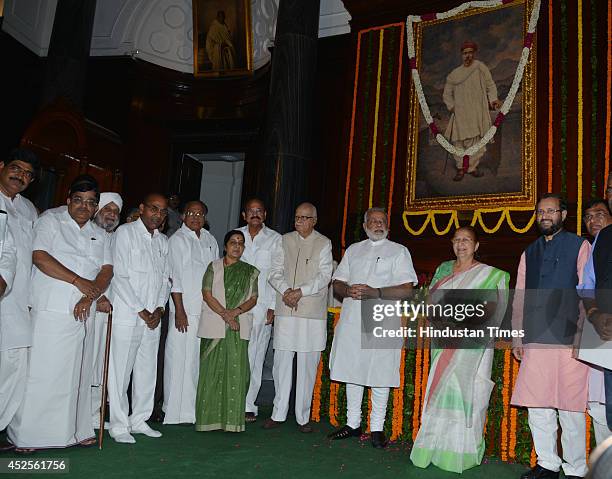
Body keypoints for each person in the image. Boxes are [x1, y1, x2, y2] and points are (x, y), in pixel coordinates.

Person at [8, 175, 113, 451]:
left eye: (90, 203)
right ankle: (29, 436)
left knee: (77, 372)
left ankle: (75, 432)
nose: (83, 207)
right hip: (51, 309)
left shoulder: (100, 233)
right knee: (44, 372)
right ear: (68, 200)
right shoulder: (51, 221)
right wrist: (80, 283)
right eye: (78, 200)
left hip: (85, 311)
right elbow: (40, 257)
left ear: (96, 207)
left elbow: (106, 270)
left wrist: (90, 294)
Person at [410, 226, 510, 473]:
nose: (461, 244)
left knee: (471, 394)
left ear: (476, 246)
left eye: (467, 240)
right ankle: (433, 447)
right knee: (442, 391)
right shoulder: (444, 270)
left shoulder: (492, 275)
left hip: (474, 346)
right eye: (457, 240)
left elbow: (496, 311)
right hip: (444, 343)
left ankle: (462, 452)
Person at [511, 193, 591, 479]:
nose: (545, 215)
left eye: (551, 210)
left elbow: (588, 290)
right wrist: (518, 336)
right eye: (540, 211)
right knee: (538, 404)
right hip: (535, 338)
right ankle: (547, 464)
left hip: (570, 338)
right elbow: (520, 297)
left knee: (570, 407)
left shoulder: (580, 245)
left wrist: (584, 335)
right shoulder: (528, 252)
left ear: (564, 215)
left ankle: (576, 469)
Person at [328, 207, 418, 448]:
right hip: (352, 317)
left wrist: (376, 292)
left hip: (382, 316)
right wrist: (346, 290)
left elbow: (408, 289)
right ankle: (353, 424)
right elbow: (337, 282)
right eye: (373, 221)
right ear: (365, 225)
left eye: (382, 221)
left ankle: (377, 427)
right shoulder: (354, 250)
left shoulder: (399, 251)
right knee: (352, 368)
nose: (378, 224)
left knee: (380, 371)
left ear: (387, 225)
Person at [107, 194, 171, 444]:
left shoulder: (163, 241)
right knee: (120, 371)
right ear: (142, 208)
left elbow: (166, 279)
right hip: (128, 313)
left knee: (147, 369)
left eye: (163, 211)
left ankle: (140, 419)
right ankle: (119, 424)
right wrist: (142, 311)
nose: (158, 214)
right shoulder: (125, 233)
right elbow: (119, 276)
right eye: (154, 209)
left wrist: (159, 309)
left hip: (153, 318)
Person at [264, 203, 333, 433]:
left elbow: (325, 276)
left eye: (304, 218)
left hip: (311, 313)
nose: (299, 221)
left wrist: (300, 292)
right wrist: (286, 291)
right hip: (286, 308)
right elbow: (274, 272)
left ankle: (303, 417)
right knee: (281, 362)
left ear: (314, 220)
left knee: (307, 365)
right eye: (296, 217)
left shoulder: (324, 243)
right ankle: (278, 413)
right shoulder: (283, 240)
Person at [195, 230, 258, 432]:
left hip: (239, 327)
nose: (237, 246)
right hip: (215, 324)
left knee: (237, 372)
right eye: (233, 242)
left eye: (240, 243)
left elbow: (253, 299)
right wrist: (226, 315)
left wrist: (235, 313)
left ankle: (232, 422)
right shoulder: (213, 267)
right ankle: (208, 420)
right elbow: (207, 294)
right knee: (210, 372)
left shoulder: (250, 271)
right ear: (225, 246)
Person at [163, 200, 218, 425]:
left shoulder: (210, 239)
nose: (195, 216)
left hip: (205, 311)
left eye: (200, 213)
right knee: (178, 359)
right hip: (184, 310)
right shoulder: (177, 240)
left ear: (205, 217)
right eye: (191, 213)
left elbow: (215, 275)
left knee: (196, 361)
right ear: (183, 216)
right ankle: (173, 410)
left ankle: (192, 409)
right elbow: (174, 278)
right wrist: (180, 311)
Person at [0, 148, 38, 452]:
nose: (20, 176)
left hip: (21, 299)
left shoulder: (29, 209)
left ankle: (10, 431)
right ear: (2, 167)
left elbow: (33, 258)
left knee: (17, 366)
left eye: (27, 174)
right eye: (15, 168)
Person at [238, 198, 281, 424]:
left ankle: (248, 405)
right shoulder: (235, 236)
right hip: (235, 308)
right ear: (244, 215)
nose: (255, 214)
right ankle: (231, 402)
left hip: (262, 308)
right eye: (250, 211)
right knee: (235, 355)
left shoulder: (275, 239)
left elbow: (277, 274)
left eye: (259, 211)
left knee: (254, 357)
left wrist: (273, 306)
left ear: (265, 214)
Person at [577, 198, 612, 445]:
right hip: (599, 326)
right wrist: (594, 314)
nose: (593, 220)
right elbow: (586, 288)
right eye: (588, 217)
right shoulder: (594, 245)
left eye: (599, 213)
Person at [443, 40, 502, 181]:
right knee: (458, 143)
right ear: (461, 55)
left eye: (470, 53)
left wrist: (493, 99)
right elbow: (447, 93)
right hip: (460, 114)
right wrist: (451, 106)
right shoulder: (455, 74)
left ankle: (472, 168)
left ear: (474, 54)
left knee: (476, 142)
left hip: (476, 112)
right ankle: (460, 168)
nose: (467, 56)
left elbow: (490, 85)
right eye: (465, 53)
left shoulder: (480, 67)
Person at [90, 192, 123, 428]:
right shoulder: (88, 234)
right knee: (88, 364)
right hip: (89, 306)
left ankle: (94, 414)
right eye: (107, 209)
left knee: (102, 364)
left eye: (115, 211)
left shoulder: (115, 238)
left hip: (112, 311)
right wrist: (99, 296)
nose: (111, 214)